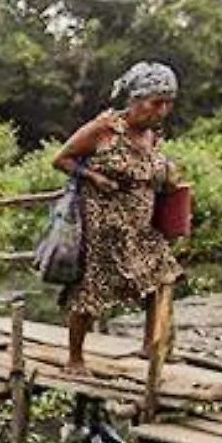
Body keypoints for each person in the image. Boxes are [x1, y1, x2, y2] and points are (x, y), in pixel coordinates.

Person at [53, 61, 184, 373]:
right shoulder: (105, 129)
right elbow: (62, 159)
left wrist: (168, 176)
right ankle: (75, 358)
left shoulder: (153, 135)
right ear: (136, 100)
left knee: (161, 276)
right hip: (103, 228)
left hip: (139, 226)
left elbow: (152, 173)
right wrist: (94, 178)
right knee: (90, 290)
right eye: (156, 103)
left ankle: (152, 345)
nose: (162, 110)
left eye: (168, 104)